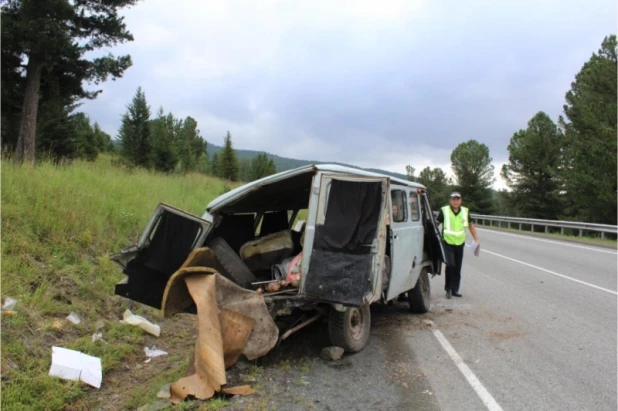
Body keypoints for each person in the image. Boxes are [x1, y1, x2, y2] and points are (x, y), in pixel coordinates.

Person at [436, 191, 479, 299]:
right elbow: (436, 223)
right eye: (453, 199)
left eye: (457, 199)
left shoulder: (465, 211)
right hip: (447, 242)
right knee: (450, 264)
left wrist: (476, 239)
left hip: (460, 243)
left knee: (457, 267)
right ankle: (448, 288)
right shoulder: (444, 210)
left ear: (460, 200)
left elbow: (470, 225)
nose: (455, 201)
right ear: (450, 200)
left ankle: (455, 289)